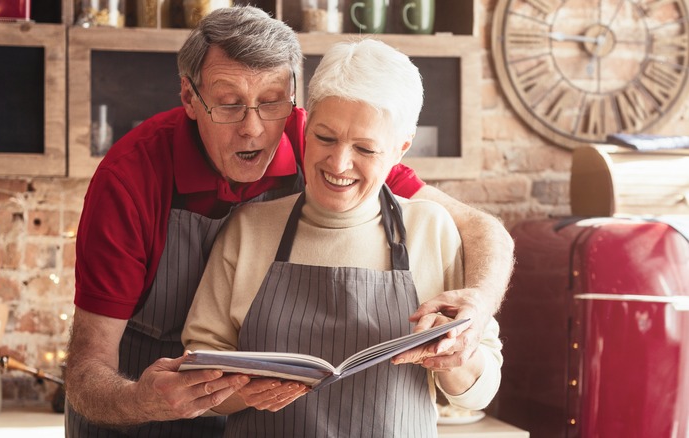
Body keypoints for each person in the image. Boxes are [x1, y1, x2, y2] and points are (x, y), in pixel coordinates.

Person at [65, 6, 513, 437]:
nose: (253, 128)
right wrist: (145, 401)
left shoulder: (329, 138)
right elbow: (87, 370)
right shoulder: (131, 180)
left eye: (272, 102)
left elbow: (482, 230)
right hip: (137, 418)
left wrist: (474, 314)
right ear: (190, 97)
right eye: (228, 104)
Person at [181, 38, 503, 437]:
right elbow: (197, 376)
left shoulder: (432, 230)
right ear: (306, 125)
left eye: (365, 148)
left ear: (400, 149)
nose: (339, 164)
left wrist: (455, 359)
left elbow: (482, 391)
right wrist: (245, 391)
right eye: (325, 138)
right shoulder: (248, 230)